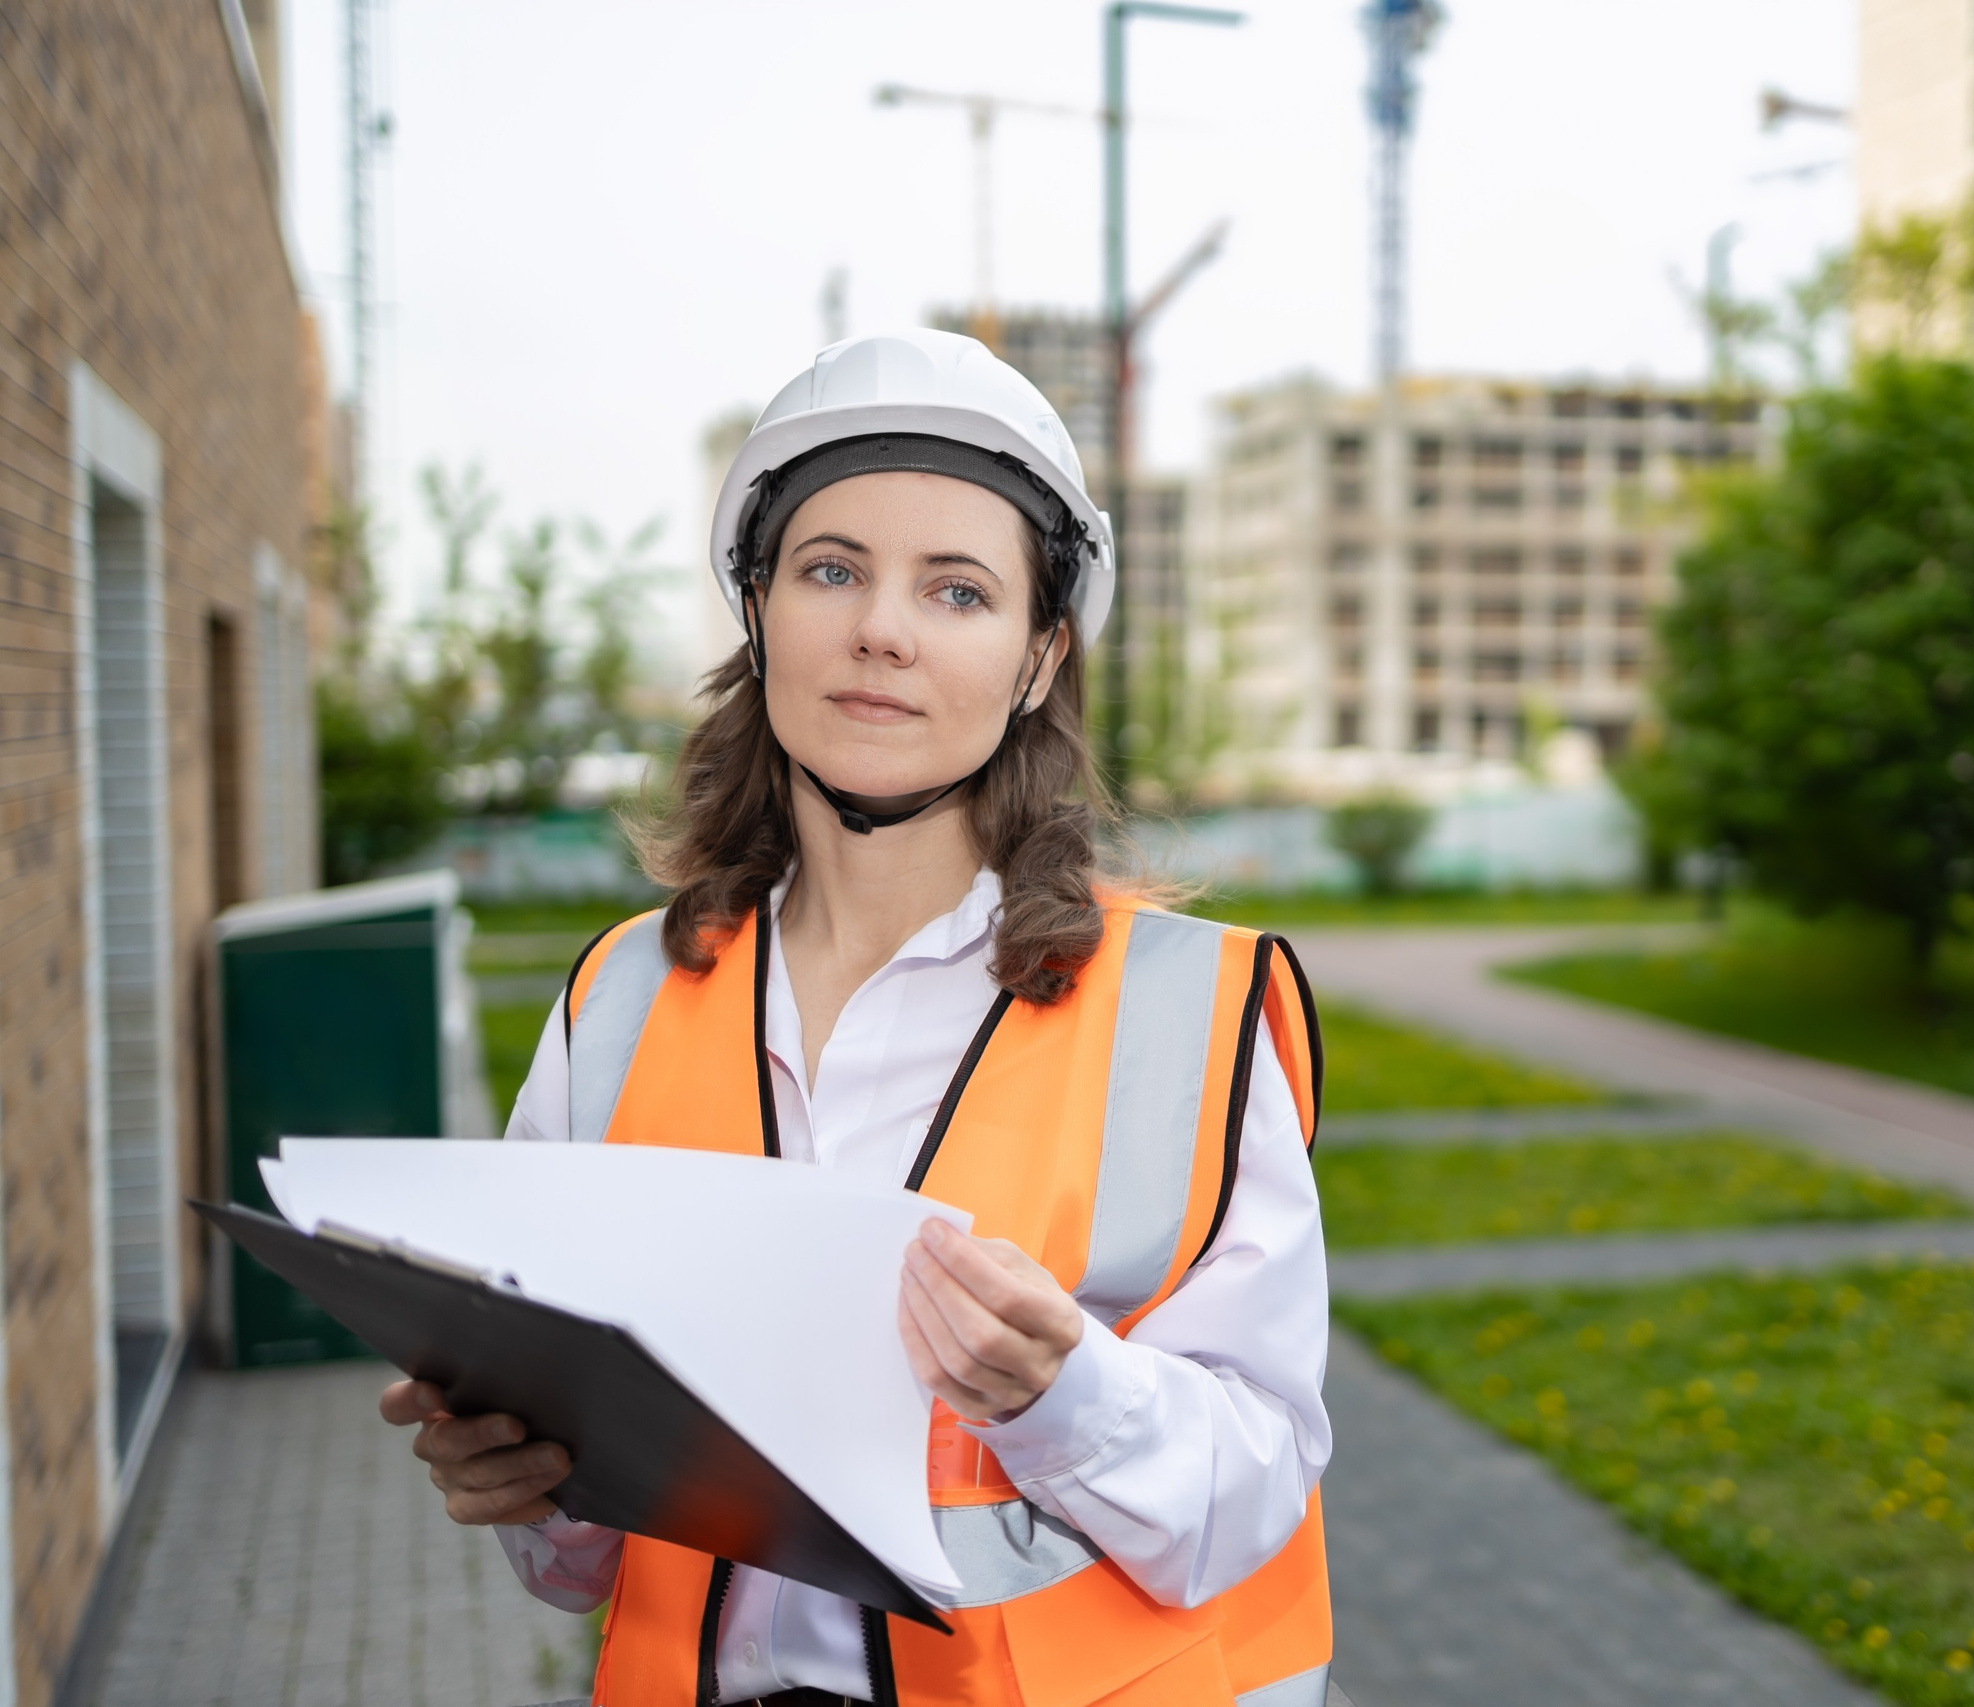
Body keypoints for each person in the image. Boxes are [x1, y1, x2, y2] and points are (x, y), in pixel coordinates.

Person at [375, 329, 1334, 1707]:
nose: (881, 627)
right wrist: (528, 1486)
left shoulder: (1190, 1013)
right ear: (759, 612)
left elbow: (1254, 1495)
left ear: (1038, 655)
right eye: (832, 570)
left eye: (956, 589)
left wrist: (1067, 1393)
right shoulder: (619, 1003)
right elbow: (583, 1559)